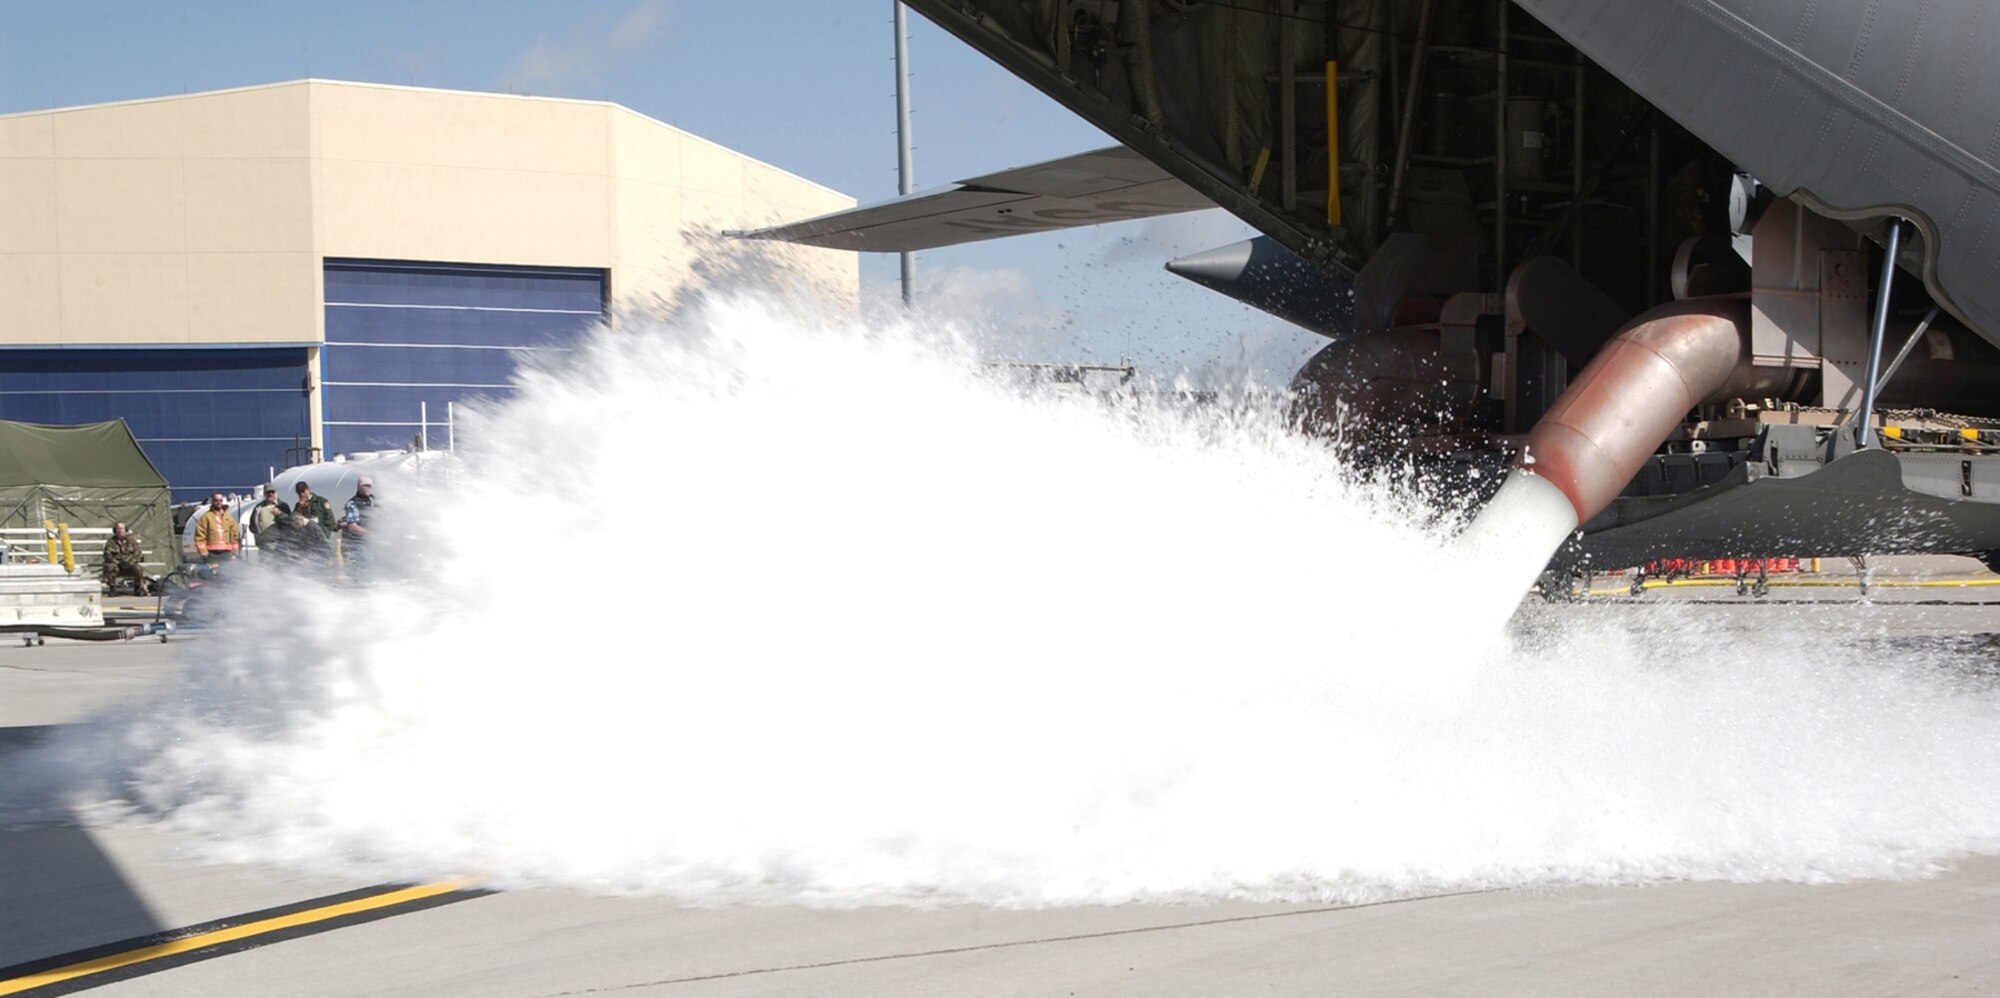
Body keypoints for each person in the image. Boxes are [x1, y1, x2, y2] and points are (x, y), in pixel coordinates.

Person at [192, 492, 241, 568]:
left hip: (227, 553)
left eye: (220, 500)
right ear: (212, 501)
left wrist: (235, 553)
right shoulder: (206, 517)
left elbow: (234, 536)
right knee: (214, 575)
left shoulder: (229, 518)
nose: (218, 502)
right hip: (212, 554)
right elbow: (200, 536)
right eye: (216, 500)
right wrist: (204, 553)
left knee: (229, 575)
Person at [100, 521, 147, 595]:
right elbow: (107, 555)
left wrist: (129, 563)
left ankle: (138, 588)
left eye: (122, 529)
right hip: (117, 567)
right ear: (115, 530)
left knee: (138, 568)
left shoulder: (132, 541)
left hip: (129, 565)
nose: (120, 531)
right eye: (118, 529)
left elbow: (138, 554)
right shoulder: (111, 542)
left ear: (126, 530)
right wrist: (118, 563)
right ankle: (112, 589)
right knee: (111, 567)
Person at [342, 476, 377, 575]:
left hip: (374, 543)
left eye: (369, 486)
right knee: (363, 566)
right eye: (365, 486)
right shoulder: (352, 504)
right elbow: (352, 526)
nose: (367, 488)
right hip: (359, 543)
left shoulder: (374, 501)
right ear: (359, 487)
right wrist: (369, 533)